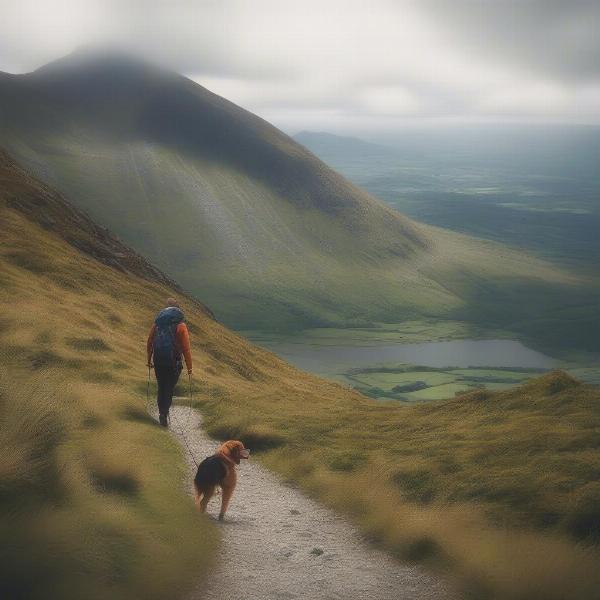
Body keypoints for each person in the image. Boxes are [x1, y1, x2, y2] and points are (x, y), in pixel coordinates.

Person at [146, 298, 193, 427]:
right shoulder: (181, 326)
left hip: (158, 361)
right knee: (169, 388)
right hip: (174, 363)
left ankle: (162, 412)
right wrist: (189, 368)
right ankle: (164, 414)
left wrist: (149, 360)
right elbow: (186, 349)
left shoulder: (157, 325)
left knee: (161, 387)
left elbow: (150, 342)